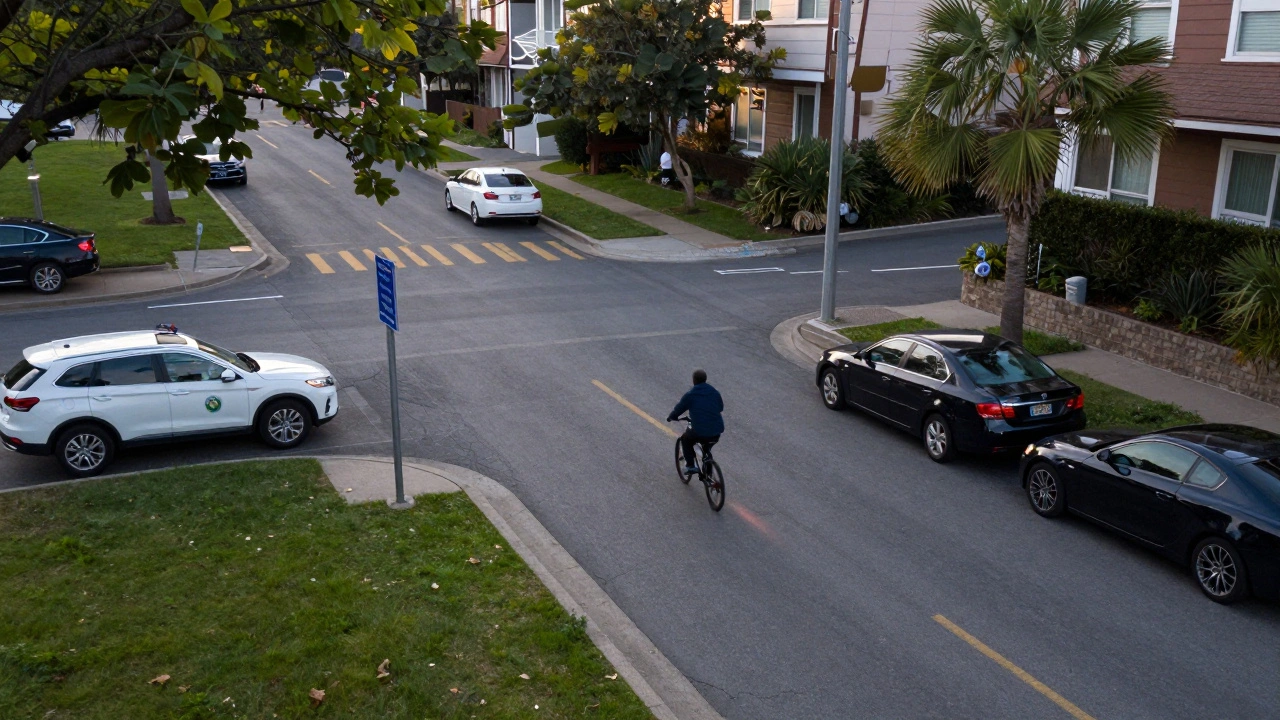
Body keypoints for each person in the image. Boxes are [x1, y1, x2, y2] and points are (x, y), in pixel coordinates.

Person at [666, 369, 724, 476]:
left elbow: (679, 408)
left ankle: (691, 466)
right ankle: (708, 471)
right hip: (717, 430)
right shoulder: (714, 392)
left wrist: (672, 416)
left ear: (694, 380)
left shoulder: (691, 395)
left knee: (686, 439)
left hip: (700, 430)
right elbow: (720, 407)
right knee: (707, 448)